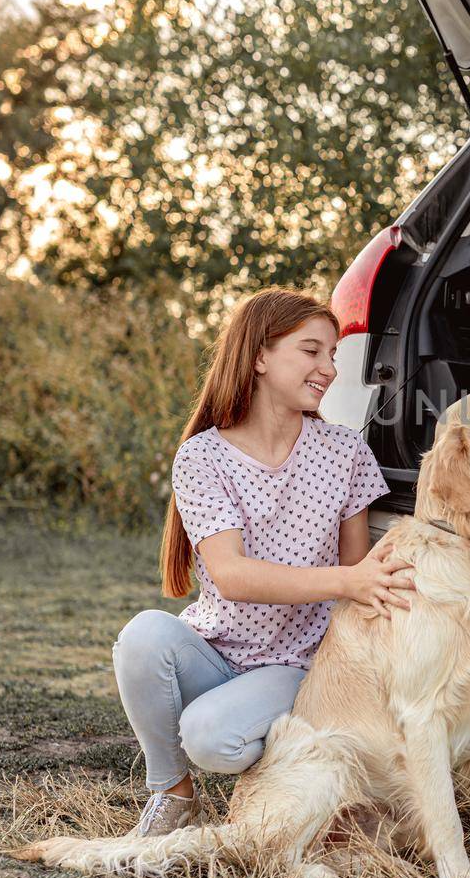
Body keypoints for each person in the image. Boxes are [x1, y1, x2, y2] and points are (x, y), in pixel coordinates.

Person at [113, 288, 414, 837]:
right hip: (216, 651)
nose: (327, 369)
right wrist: (348, 578)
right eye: (311, 351)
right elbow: (230, 575)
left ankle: (288, 779)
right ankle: (172, 794)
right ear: (259, 356)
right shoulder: (202, 455)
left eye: (333, 357)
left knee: (211, 738)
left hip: (299, 665)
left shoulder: (345, 451)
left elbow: (357, 585)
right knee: (142, 636)